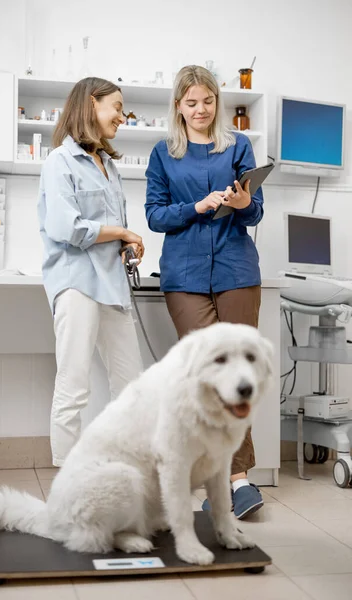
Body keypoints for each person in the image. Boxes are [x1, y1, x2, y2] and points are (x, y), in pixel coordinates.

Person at [145, 65, 264, 520]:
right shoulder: (163, 153)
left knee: (237, 375)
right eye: (191, 102)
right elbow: (155, 215)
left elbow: (254, 212)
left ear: (217, 102)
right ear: (179, 105)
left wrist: (242, 203)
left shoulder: (238, 146)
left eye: (208, 101)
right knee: (207, 374)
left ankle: (237, 481)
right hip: (185, 276)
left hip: (236, 270)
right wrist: (196, 207)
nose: (200, 110)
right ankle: (215, 476)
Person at [38, 77, 144, 467]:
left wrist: (126, 242)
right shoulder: (59, 162)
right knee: (74, 387)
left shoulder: (110, 167)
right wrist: (121, 232)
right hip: (77, 283)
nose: (122, 115)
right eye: (116, 106)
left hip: (113, 285)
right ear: (90, 106)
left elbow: (113, 226)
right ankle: (68, 486)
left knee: (132, 387)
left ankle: (129, 477)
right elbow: (66, 228)